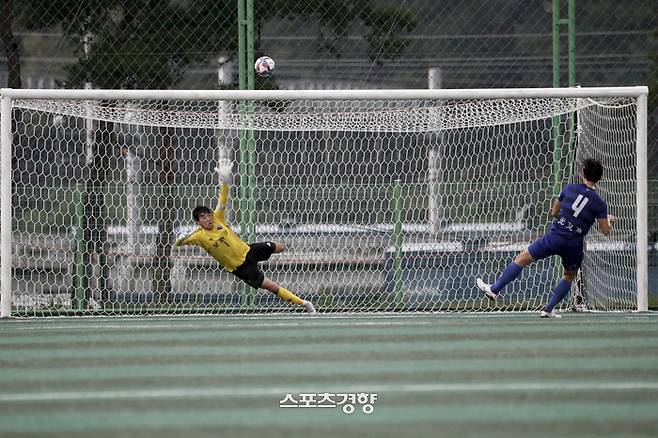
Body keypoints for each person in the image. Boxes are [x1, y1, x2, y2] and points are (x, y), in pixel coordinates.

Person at [476, 158, 616, 318]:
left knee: (522, 258)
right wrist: (607, 219)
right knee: (569, 276)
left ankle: (494, 289)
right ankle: (548, 309)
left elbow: (554, 212)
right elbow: (605, 231)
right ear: (599, 178)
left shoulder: (569, 188)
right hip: (574, 245)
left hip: (555, 237)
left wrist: (567, 214)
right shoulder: (599, 203)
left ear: (582, 173)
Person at [175, 161, 316, 314]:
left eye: (208, 214)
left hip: (249, 250)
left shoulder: (218, 219)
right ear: (198, 222)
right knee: (272, 287)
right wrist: (181, 238)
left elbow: (223, 198)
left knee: (280, 247)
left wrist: (226, 179)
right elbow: (180, 242)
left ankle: (275, 260)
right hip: (241, 268)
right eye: (203, 217)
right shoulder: (198, 236)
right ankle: (304, 304)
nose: (208, 218)